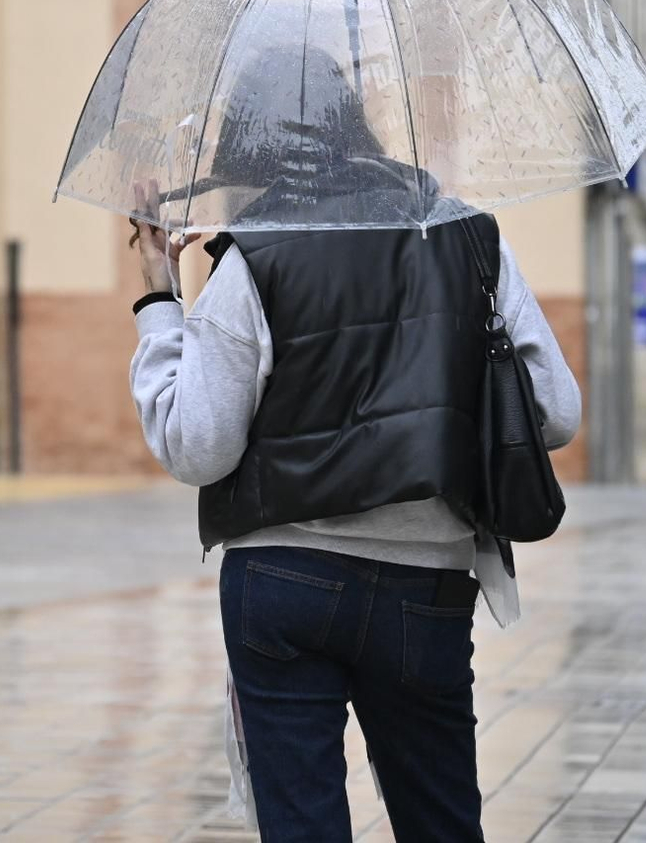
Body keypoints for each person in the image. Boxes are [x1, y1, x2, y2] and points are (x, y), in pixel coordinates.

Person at [127, 49, 581, 842]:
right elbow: (557, 410)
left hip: (281, 580)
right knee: (442, 821)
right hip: (426, 587)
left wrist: (159, 298)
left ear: (248, 149)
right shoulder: (468, 236)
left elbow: (198, 447)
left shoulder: (252, 259)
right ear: (355, 127)